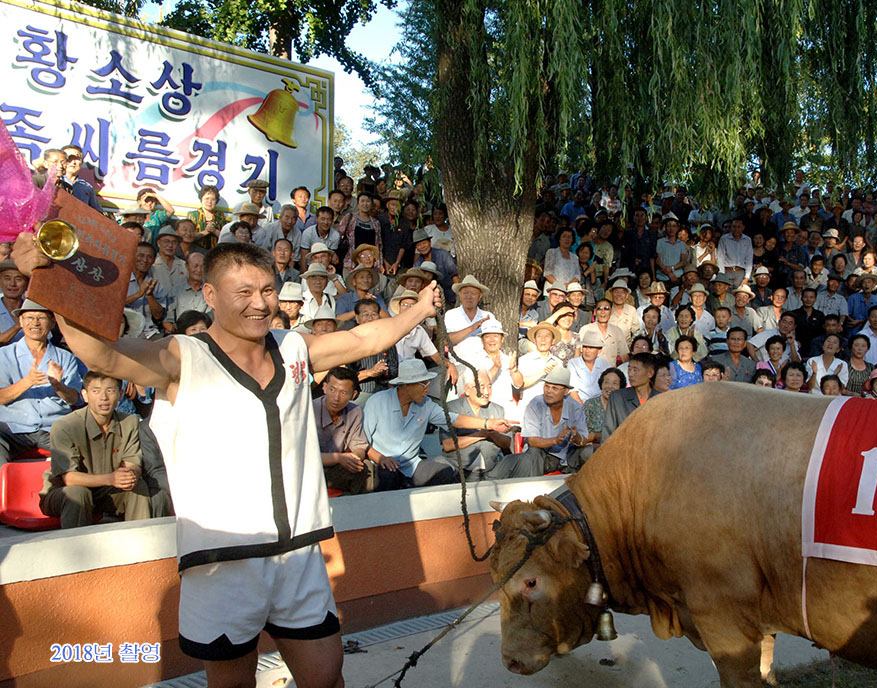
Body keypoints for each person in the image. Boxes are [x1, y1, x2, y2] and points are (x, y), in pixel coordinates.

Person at [12, 235, 447, 688]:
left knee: (326, 677)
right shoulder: (184, 357)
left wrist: (418, 310)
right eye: (243, 292)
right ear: (210, 294)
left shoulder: (294, 347)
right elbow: (103, 353)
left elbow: (362, 337)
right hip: (221, 563)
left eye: (266, 290)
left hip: (298, 554)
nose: (259, 304)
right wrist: (47, 282)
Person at [39, 371, 170, 528]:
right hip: (64, 492)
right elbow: (69, 478)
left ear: (121, 394)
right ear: (85, 395)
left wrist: (129, 476)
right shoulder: (65, 426)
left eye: (110, 390)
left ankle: (141, 543)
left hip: (109, 490)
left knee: (138, 486)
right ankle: (79, 548)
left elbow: (132, 462)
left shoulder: (129, 422)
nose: (104, 397)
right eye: (96, 391)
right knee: (78, 493)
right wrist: (111, 479)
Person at [363, 359, 513, 489]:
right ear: (407, 385)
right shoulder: (377, 402)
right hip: (381, 463)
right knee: (388, 476)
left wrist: (489, 423)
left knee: (445, 474)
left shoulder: (426, 404)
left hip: (411, 466)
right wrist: (381, 458)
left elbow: (453, 419)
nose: (427, 389)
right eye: (423, 384)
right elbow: (362, 442)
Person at [0, 300, 82, 463]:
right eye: (29, 317)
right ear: (21, 321)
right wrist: (28, 381)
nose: (35, 323)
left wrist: (58, 387)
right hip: (13, 428)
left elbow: (75, 399)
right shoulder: (4, 355)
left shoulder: (65, 357)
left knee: (83, 453)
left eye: (41, 318)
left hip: (54, 428)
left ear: (52, 322)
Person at [440, 369, 533, 479]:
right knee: (437, 466)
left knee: (524, 459)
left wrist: (492, 433)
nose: (487, 392)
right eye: (481, 387)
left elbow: (506, 444)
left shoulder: (497, 409)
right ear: (467, 390)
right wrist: (481, 435)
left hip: (491, 470)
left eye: (489, 387)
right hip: (460, 471)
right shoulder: (451, 408)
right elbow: (448, 445)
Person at [512, 367, 593, 474]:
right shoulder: (535, 404)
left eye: (555, 388)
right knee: (534, 452)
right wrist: (555, 440)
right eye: (546, 386)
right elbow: (532, 441)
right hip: (542, 456)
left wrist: (576, 437)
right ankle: (532, 487)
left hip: (567, 456)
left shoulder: (575, 407)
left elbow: (583, 440)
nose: (549, 391)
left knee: (589, 452)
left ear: (566, 391)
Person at [313, 367, 374, 495]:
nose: (336, 398)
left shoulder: (355, 411)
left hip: (337, 467)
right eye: (332, 390)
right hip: (313, 468)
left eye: (343, 393)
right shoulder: (309, 411)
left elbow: (359, 445)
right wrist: (339, 458)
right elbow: (304, 456)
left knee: (366, 467)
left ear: (353, 395)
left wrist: (354, 458)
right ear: (324, 388)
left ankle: (361, 509)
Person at [603, 351, 658, 439]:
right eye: (629, 369)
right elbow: (608, 432)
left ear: (650, 373)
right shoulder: (617, 397)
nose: (630, 374)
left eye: (635, 370)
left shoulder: (660, 399)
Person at [444, 275, 494, 362]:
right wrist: (472, 328)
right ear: (460, 295)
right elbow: (446, 341)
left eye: (473, 293)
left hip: (483, 361)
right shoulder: (451, 314)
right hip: (459, 362)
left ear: (480, 296)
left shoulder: (487, 316)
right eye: (465, 293)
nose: (469, 297)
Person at [579, 299, 630, 366]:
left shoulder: (617, 331)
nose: (603, 312)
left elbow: (624, 357)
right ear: (595, 312)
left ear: (611, 312)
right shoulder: (585, 329)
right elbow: (579, 354)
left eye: (606, 308)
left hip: (610, 373)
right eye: (599, 309)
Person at [567, 330, 611, 404]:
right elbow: (572, 391)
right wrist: (583, 409)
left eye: (591, 348)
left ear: (599, 350)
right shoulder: (573, 363)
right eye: (585, 347)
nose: (587, 350)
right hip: (579, 405)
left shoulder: (604, 364)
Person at [582, 368, 624, 446]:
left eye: (615, 383)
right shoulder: (590, 404)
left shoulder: (623, 407)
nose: (610, 386)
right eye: (606, 382)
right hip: (591, 447)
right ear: (601, 384)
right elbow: (582, 433)